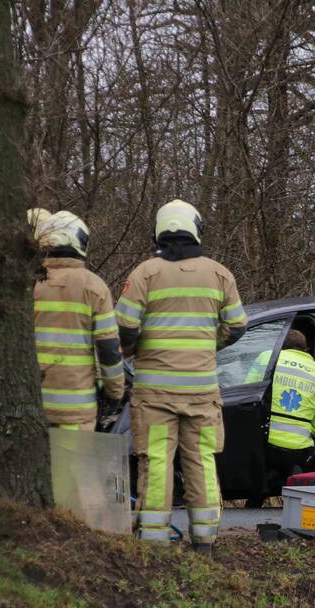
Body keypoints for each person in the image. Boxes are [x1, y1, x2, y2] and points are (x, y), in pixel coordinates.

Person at [116, 200, 247, 553]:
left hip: (155, 394)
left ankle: (154, 542)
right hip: (202, 394)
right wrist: (208, 344)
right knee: (202, 461)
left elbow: (125, 325)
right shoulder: (220, 274)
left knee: (157, 462)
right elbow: (237, 325)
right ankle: (205, 541)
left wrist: (136, 348)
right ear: (196, 229)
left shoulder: (145, 273)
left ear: (159, 231)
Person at [33, 210, 124, 431]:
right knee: (75, 456)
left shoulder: (28, 283)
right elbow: (109, 349)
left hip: (31, 407)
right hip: (77, 410)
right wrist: (114, 393)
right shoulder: (94, 287)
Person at [264, 330, 315, 483]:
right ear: (306, 349)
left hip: (264, 442)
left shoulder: (267, 358)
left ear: (281, 345)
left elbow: (248, 397)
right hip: (298, 450)